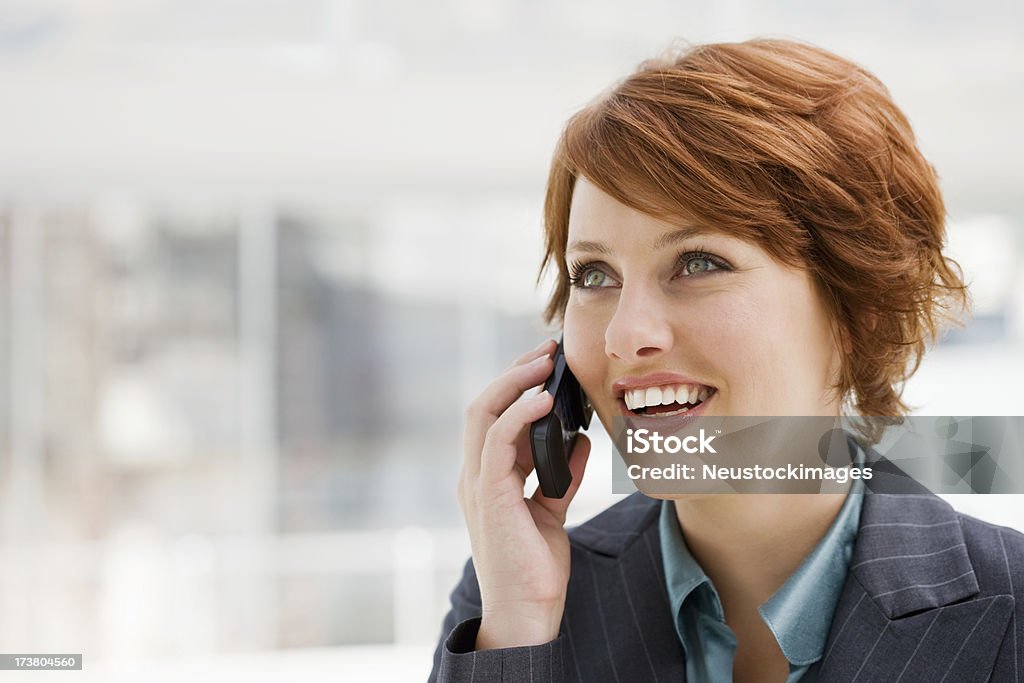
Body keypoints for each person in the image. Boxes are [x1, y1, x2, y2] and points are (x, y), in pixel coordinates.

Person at [428, 38, 1024, 682]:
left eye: (699, 263)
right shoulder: (514, 602)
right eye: (595, 275)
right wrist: (519, 626)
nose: (625, 336)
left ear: (857, 310)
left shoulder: (1011, 610)